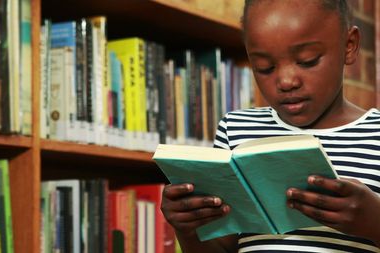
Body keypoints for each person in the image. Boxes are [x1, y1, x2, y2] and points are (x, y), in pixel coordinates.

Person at [160, 0, 380, 252]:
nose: (286, 81)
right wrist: (188, 229)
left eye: (307, 61)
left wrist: (375, 222)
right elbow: (222, 248)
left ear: (349, 46)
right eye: (265, 67)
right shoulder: (235, 129)